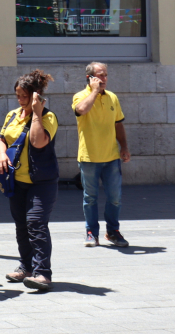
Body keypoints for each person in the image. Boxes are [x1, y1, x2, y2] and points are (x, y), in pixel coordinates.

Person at [0, 70, 59, 291]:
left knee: (36, 223)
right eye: (18, 96)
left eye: (24, 96)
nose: (19, 100)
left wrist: (36, 113)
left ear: (34, 96)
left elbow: (37, 141)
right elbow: (1, 140)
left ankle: (43, 272)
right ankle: (27, 266)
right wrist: (2, 154)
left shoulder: (48, 117)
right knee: (21, 224)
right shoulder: (12, 115)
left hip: (42, 182)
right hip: (17, 181)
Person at [72, 61, 131, 248]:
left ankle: (113, 231)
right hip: (89, 157)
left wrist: (124, 147)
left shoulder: (112, 97)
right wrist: (95, 91)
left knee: (115, 197)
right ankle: (91, 232)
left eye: (106, 75)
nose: (104, 79)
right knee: (90, 198)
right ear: (90, 78)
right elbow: (81, 110)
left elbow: (118, 124)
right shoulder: (80, 97)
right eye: (100, 76)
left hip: (111, 157)